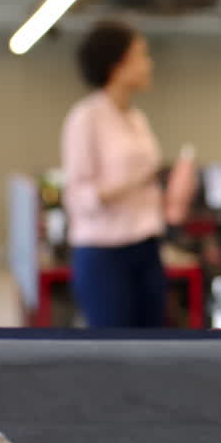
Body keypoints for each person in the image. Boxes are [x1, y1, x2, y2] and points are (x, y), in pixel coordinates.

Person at [60, 20, 169, 328]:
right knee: (115, 352)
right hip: (104, 253)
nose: (149, 64)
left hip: (146, 247)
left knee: (153, 347)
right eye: (141, 55)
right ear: (117, 64)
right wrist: (128, 185)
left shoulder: (137, 118)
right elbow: (77, 196)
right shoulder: (86, 118)